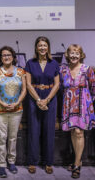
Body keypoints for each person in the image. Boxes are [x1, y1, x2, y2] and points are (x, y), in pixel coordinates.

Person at [60, 44, 95, 178]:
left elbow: (94, 87)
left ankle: (77, 164)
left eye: (77, 53)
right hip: (68, 104)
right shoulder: (63, 70)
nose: (74, 55)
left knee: (79, 132)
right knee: (73, 132)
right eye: (72, 53)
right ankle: (78, 159)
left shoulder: (87, 69)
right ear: (67, 55)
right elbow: (60, 87)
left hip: (83, 105)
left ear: (81, 55)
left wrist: (89, 104)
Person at [0, 46, 27, 178]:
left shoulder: (21, 71)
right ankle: (1, 165)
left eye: (9, 55)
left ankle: (11, 162)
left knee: (12, 138)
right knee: (1, 138)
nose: (6, 57)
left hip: (16, 110)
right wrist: (2, 103)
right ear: (0, 58)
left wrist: (17, 103)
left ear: (13, 57)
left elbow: (24, 90)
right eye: (4, 55)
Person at [25, 36, 60, 174]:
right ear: (36, 47)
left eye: (45, 45)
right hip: (34, 98)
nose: (42, 48)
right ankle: (32, 162)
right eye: (40, 45)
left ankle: (48, 162)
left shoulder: (54, 63)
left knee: (49, 131)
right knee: (34, 130)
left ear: (48, 47)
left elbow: (57, 84)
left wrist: (47, 100)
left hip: (50, 98)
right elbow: (28, 83)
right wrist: (39, 100)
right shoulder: (30, 63)